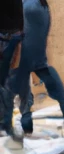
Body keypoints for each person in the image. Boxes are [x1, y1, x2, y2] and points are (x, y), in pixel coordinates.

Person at [11, 0, 64, 136]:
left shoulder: (28, 6)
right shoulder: (41, 5)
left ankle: (26, 126)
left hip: (25, 53)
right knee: (44, 73)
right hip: (37, 53)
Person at [0, 0, 24, 134]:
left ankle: (4, 123)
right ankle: (6, 124)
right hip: (13, 35)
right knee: (6, 80)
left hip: (5, 36)